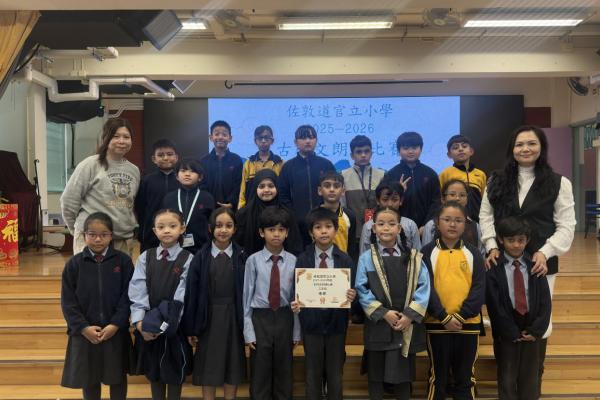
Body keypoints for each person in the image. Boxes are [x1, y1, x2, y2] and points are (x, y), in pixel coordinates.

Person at [479, 125, 576, 393]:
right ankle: (507, 388)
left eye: (532, 143)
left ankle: (532, 386)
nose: (525, 149)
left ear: (541, 147)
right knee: (505, 319)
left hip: (539, 266)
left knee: (539, 322)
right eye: (520, 144)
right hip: (502, 263)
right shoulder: (496, 180)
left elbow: (567, 226)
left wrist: (545, 251)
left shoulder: (559, 183)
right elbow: (485, 217)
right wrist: (491, 245)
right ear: (512, 149)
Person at [355, 206, 430, 400]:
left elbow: (424, 288)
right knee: (376, 377)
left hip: (405, 325)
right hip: (378, 325)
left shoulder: (414, 258)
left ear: (399, 228)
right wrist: (383, 313)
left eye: (391, 223)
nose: (386, 228)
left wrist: (409, 316)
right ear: (373, 228)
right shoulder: (365, 259)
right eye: (381, 224)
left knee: (403, 380)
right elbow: (361, 289)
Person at [60, 212, 134, 400]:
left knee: (117, 378)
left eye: (103, 234)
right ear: (84, 235)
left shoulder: (123, 261)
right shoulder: (74, 264)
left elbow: (128, 296)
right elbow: (68, 302)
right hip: (86, 333)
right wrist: (83, 327)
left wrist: (116, 324)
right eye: (92, 234)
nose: (98, 239)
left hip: (115, 332)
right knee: (89, 378)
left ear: (111, 235)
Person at [422, 202, 485, 400]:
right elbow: (425, 288)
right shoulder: (426, 253)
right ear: (437, 222)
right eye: (447, 219)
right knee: (437, 378)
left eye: (458, 220)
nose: (452, 224)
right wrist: (443, 317)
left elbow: (479, 289)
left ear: (465, 224)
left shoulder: (474, 253)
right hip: (437, 324)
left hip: (468, 324)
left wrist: (460, 316)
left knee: (465, 378)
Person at [182, 208, 248, 400]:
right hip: (208, 318)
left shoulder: (243, 256)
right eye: (218, 225)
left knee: (232, 363)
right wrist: (192, 327)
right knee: (209, 366)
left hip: (234, 317)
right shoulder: (200, 257)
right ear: (210, 228)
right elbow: (192, 295)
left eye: (229, 225)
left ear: (235, 229)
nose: (223, 230)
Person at [292, 207, 356, 400]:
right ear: (311, 232)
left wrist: (352, 295)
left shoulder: (345, 259)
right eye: (318, 227)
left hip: (337, 324)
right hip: (311, 324)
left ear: (336, 230)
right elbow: (296, 290)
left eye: (328, 226)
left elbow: (353, 292)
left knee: (335, 373)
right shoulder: (302, 259)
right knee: (313, 372)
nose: (324, 231)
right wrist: (296, 304)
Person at [129, 209, 193, 400]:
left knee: (174, 371)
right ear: (154, 231)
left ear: (182, 229)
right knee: (154, 371)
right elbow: (138, 290)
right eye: (161, 227)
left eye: (172, 226)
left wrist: (167, 324)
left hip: (174, 327)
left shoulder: (188, 259)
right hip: (148, 327)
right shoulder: (145, 257)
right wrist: (140, 323)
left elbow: (182, 295)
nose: (166, 230)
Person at [486, 216, 551, 400]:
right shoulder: (494, 268)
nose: (516, 245)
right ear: (500, 239)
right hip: (506, 331)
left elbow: (545, 302)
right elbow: (494, 305)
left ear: (527, 240)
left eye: (521, 240)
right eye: (511, 240)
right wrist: (509, 331)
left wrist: (536, 330)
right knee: (507, 378)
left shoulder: (536, 266)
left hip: (531, 329)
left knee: (530, 379)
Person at [242, 206, 301, 400]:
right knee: (260, 369)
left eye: (281, 230)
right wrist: (249, 331)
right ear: (261, 232)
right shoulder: (252, 261)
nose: (276, 234)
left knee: (284, 368)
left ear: (287, 233)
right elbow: (246, 298)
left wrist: (296, 331)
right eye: (271, 229)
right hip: (261, 318)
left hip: (285, 316)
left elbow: (296, 300)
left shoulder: (294, 261)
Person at [61, 118, 140, 256]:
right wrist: (79, 230)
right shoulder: (90, 164)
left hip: (122, 240)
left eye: (126, 137)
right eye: (116, 136)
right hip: (92, 239)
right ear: (105, 138)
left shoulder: (134, 170)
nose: (121, 141)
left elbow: (130, 205)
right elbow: (69, 200)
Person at [278, 124, 335, 246]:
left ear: (316, 140)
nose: (308, 141)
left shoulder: (326, 165)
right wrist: (293, 216)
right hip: (297, 225)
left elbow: (334, 191)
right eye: (303, 138)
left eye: (311, 137)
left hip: (323, 224)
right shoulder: (288, 167)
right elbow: (283, 196)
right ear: (296, 142)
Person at [235, 169, 303, 255]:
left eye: (271, 186)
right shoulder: (244, 214)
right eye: (262, 186)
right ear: (255, 188)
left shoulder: (287, 213)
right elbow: (238, 245)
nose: (266, 190)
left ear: (277, 187)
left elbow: (294, 244)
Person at [383, 131, 441, 229]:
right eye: (406, 148)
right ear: (399, 150)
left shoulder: (430, 174)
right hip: (398, 226)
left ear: (421, 149)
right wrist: (398, 192)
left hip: (426, 227)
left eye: (414, 148)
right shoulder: (391, 174)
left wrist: (426, 225)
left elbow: (436, 202)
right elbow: (386, 202)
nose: (410, 151)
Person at [341, 135, 385, 259]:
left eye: (367, 151)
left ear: (372, 153)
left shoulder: (381, 175)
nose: (363, 155)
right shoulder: (343, 176)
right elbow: (342, 206)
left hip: (377, 231)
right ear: (352, 155)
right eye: (359, 152)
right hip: (352, 233)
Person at [162, 159, 215, 254]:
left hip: (201, 248)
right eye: (183, 171)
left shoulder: (207, 198)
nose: (187, 174)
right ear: (177, 176)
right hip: (174, 246)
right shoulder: (169, 198)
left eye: (192, 171)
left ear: (200, 177)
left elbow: (211, 223)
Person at [135, 139, 179, 252]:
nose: (165, 158)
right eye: (160, 155)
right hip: (151, 233)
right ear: (154, 159)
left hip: (176, 231)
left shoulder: (181, 180)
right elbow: (140, 208)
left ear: (176, 157)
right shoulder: (147, 180)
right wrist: (142, 233)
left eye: (169, 154)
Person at [422, 179, 484, 255]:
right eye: (452, 194)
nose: (457, 198)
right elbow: (425, 255)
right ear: (443, 199)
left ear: (467, 199)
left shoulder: (475, 227)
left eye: (462, 195)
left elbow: (480, 255)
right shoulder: (431, 225)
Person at [359, 180, 421, 255]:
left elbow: (417, 256)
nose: (390, 204)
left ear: (401, 201)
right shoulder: (368, 227)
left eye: (394, 200)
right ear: (378, 200)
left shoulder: (410, 225)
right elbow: (363, 256)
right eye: (385, 200)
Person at [439, 135, 487, 222]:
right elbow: (440, 200)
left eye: (464, 146)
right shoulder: (445, 173)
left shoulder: (481, 174)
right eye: (455, 147)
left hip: (477, 221)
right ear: (449, 155)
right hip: (454, 220)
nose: (460, 149)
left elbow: (484, 201)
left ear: (471, 151)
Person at [200, 120, 244, 210]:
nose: (220, 137)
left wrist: (231, 203)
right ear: (211, 137)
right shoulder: (204, 161)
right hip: (208, 208)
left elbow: (239, 184)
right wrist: (208, 203)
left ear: (230, 138)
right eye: (217, 134)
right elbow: (202, 185)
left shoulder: (236, 160)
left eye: (224, 134)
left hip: (231, 208)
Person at [238, 125, 284, 209]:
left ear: (272, 141)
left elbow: (284, 189)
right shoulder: (248, 164)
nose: (263, 141)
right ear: (255, 141)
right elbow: (243, 191)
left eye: (266, 138)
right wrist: (241, 210)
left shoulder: (280, 163)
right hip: (252, 209)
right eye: (260, 138)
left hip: (275, 209)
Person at [318, 171, 357, 256]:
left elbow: (351, 248)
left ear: (343, 191)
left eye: (336, 186)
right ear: (320, 190)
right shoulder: (313, 216)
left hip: (343, 263)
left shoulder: (349, 216)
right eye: (327, 186)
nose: (332, 189)